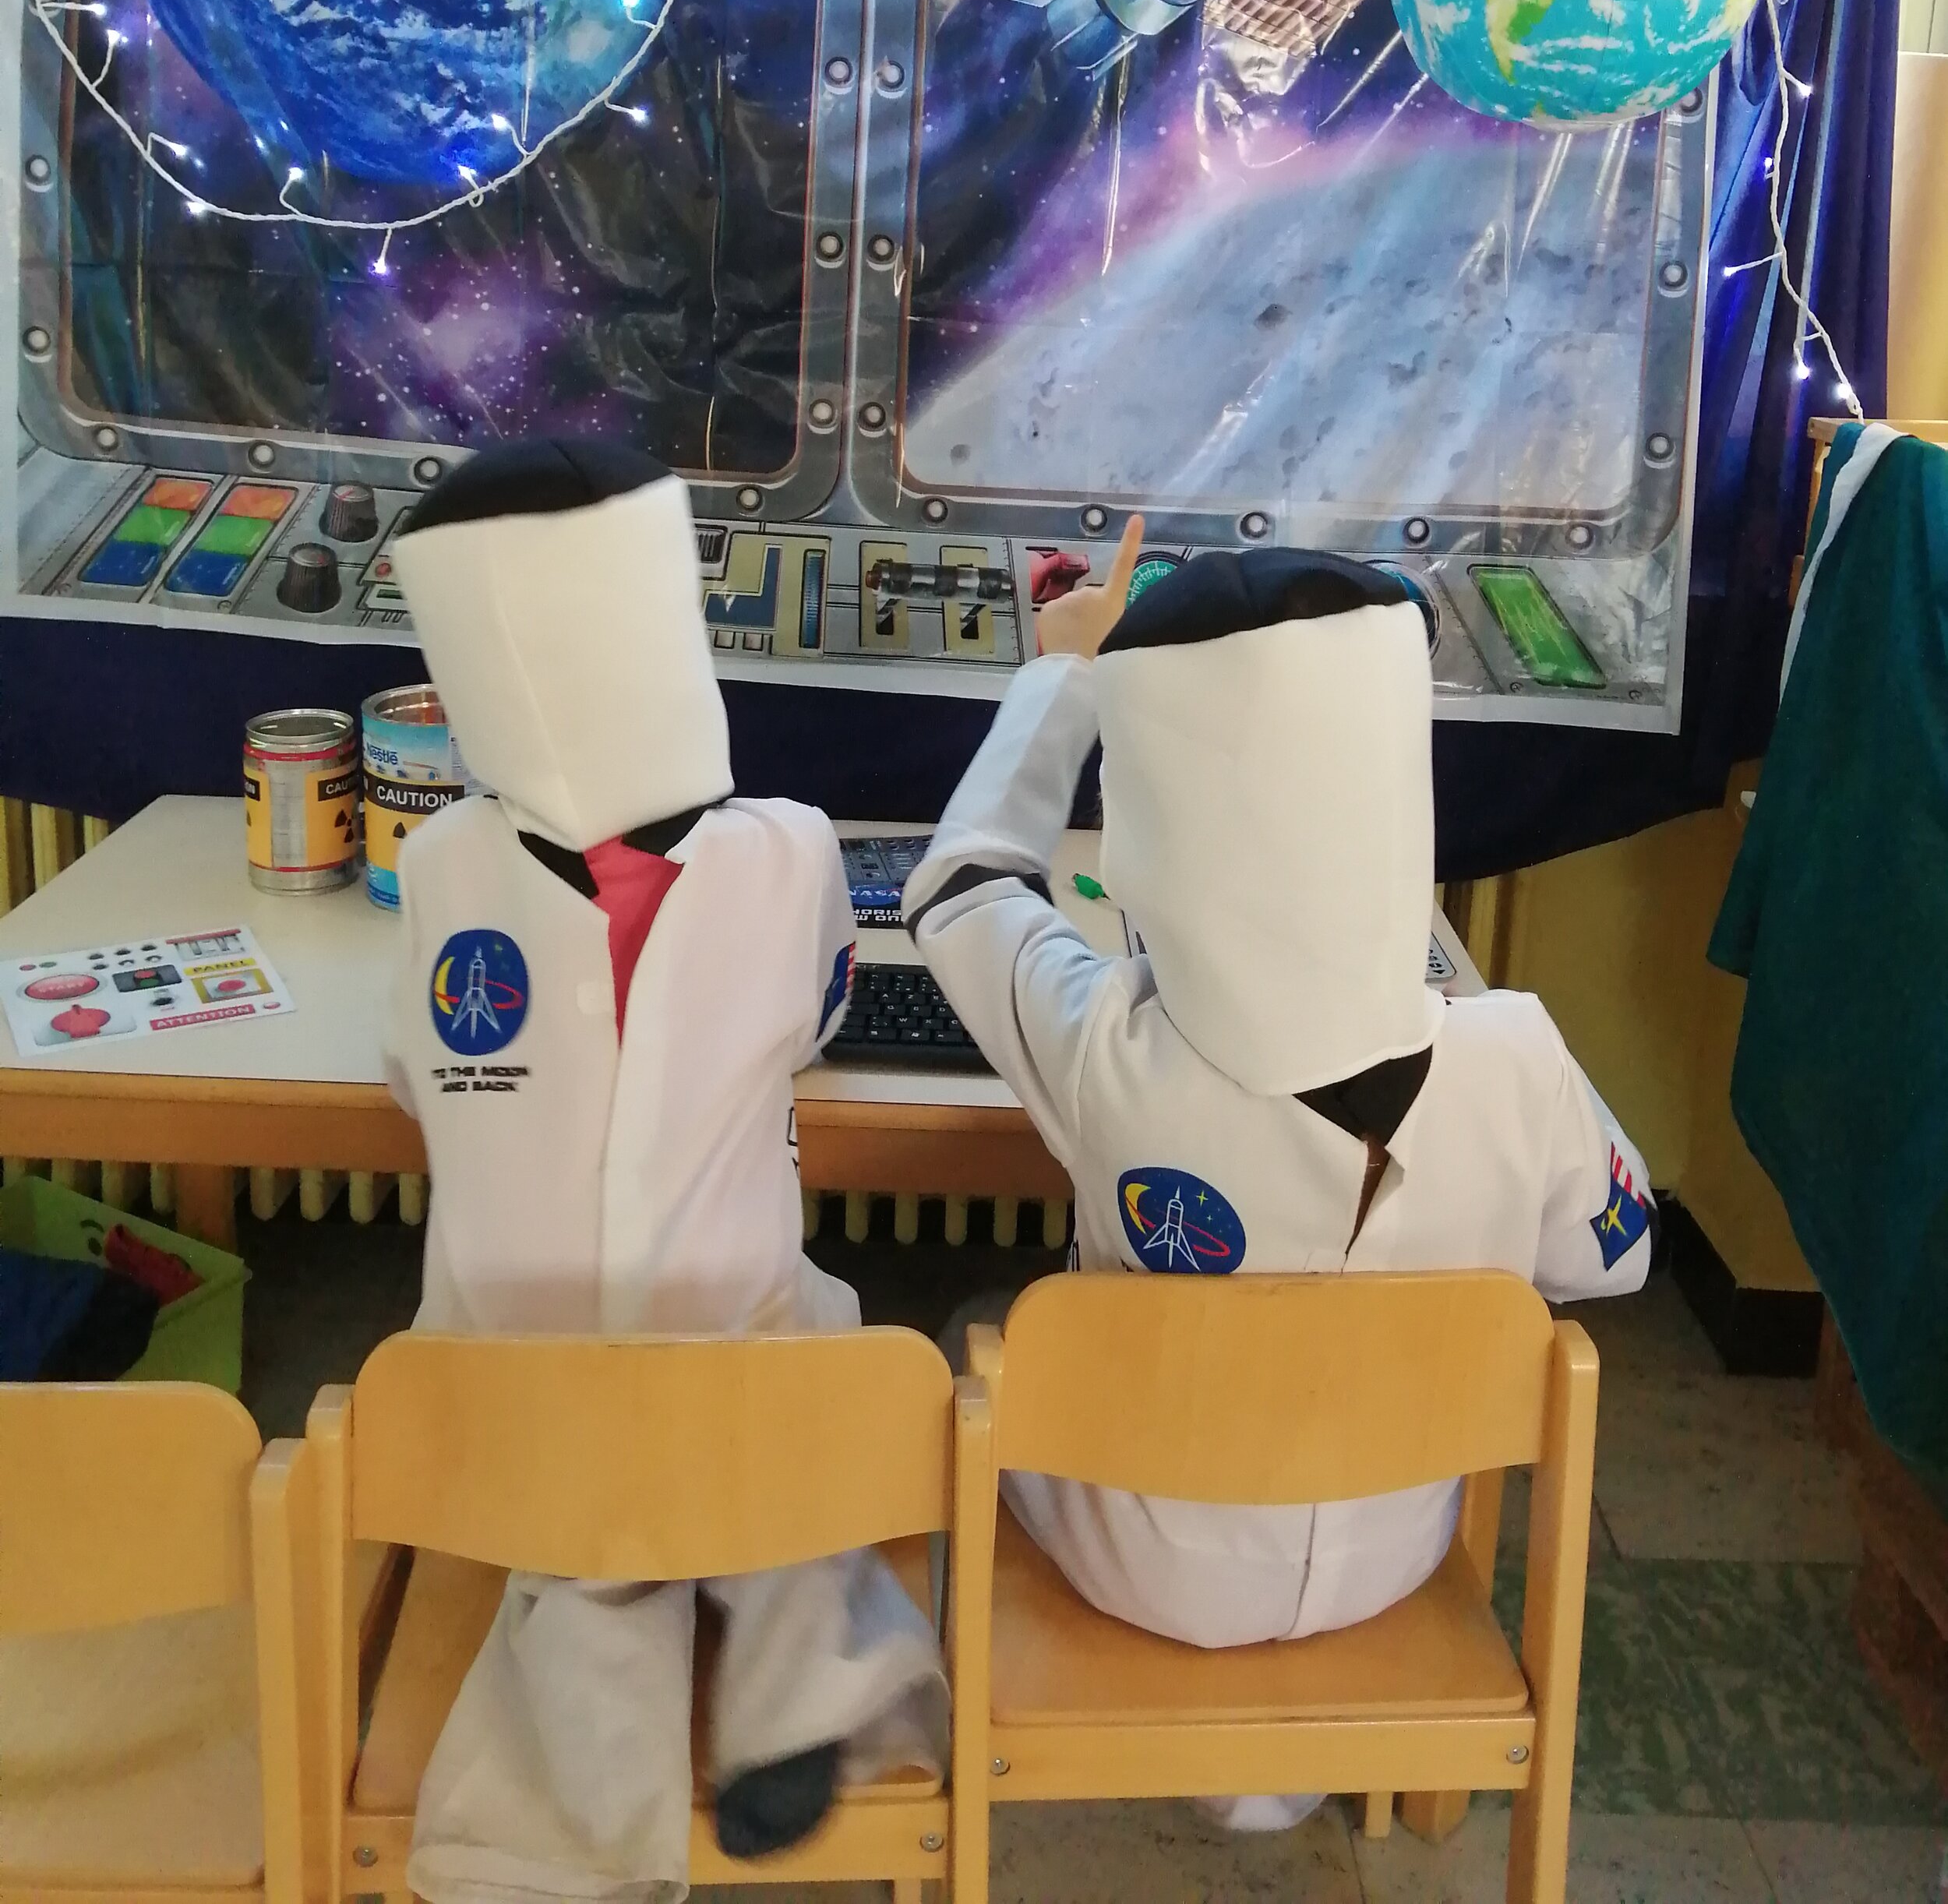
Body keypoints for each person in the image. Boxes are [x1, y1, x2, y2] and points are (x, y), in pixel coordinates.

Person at [907, 520, 1653, 1832]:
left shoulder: (1106, 1052)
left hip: (1145, 1572)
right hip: (1388, 1560)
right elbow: (1619, 1253)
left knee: (976, 1332)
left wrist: (1064, 673)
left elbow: (959, 889)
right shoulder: (1519, 1059)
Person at [385, 438, 945, 1904]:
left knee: (566, 1556)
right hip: (734, 1363)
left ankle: (583, 1763)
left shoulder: (438, 868)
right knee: (801, 1429)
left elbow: (408, 1068)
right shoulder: (789, 851)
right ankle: (796, 1682)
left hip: (505, 1387)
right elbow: (819, 1010)